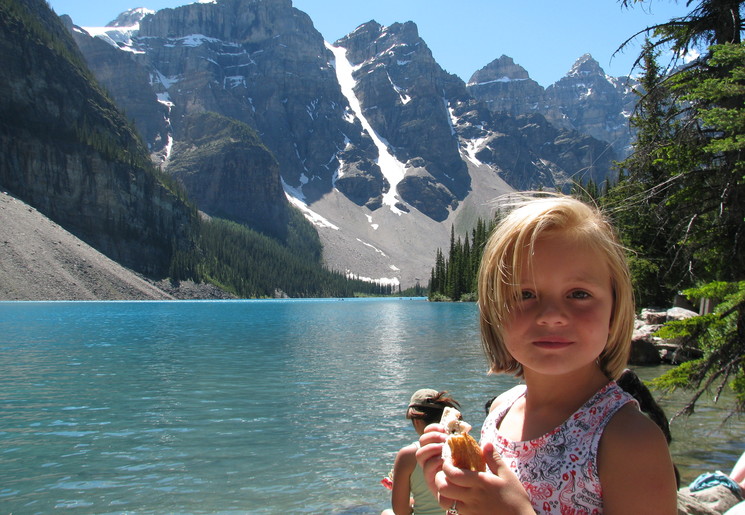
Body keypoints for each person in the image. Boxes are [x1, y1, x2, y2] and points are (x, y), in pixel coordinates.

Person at [416, 194, 678, 514]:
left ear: (615, 308)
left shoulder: (631, 441)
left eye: (579, 294)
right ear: (495, 311)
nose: (552, 315)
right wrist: (457, 494)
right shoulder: (501, 409)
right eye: (526, 294)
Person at [382, 389, 461, 515]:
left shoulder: (408, 455)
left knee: (386, 513)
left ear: (417, 421)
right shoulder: (461, 448)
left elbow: (400, 511)